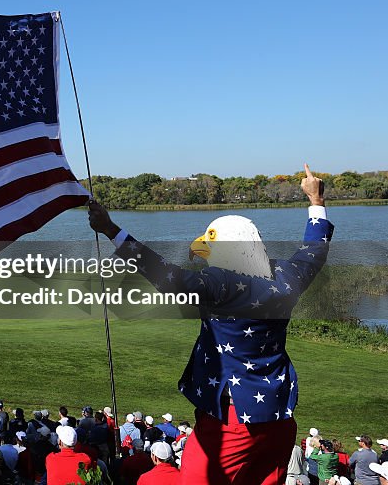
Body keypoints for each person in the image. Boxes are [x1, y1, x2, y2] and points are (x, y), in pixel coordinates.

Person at [88, 164, 334, 485]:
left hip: (232, 422)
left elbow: (164, 274)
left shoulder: (220, 282)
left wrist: (110, 229)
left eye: (211, 239)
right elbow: (315, 249)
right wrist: (316, 199)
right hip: (277, 416)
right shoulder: (288, 276)